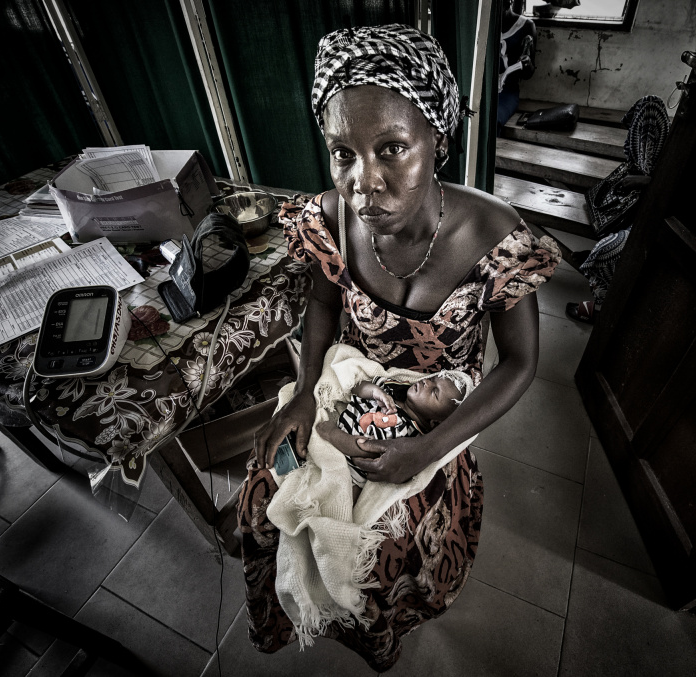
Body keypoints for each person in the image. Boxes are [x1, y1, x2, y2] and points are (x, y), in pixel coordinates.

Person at [239, 24, 559, 672]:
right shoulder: (330, 218)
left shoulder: (497, 235)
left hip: (437, 424)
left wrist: (429, 449)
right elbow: (324, 302)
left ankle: (378, 636)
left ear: (436, 140)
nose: (364, 182)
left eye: (391, 148)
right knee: (263, 501)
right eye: (342, 153)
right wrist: (304, 393)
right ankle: (303, 611)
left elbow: (522, 363)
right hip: (349, 395)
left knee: (392, 542)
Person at [567, 95, 671, 323]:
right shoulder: (650, 158)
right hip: (645, 218)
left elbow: (670, 198)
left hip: (663, 226)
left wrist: (648, 182)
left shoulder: (665, 165)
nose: (631, 142)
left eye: (638, 131)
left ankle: (604, 309)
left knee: (605, 252)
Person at [334, 371, 474, 497]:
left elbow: (365, 450)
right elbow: (355, 386)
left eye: (434, 392)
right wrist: (374, 391)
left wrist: (331, 433)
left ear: (434, 423)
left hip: (348, 467)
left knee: (343, 497)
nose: (427, 382)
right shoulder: (392, 389)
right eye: (432, 379)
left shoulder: (406, 434)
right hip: (338, 422)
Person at [497, 0, 537, 127]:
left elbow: (528, 74)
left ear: (508, 3)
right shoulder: (486, 24)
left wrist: (527, 63)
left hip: (507, 91)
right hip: (484, 89)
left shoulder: (526, 26)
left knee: (494, 119)